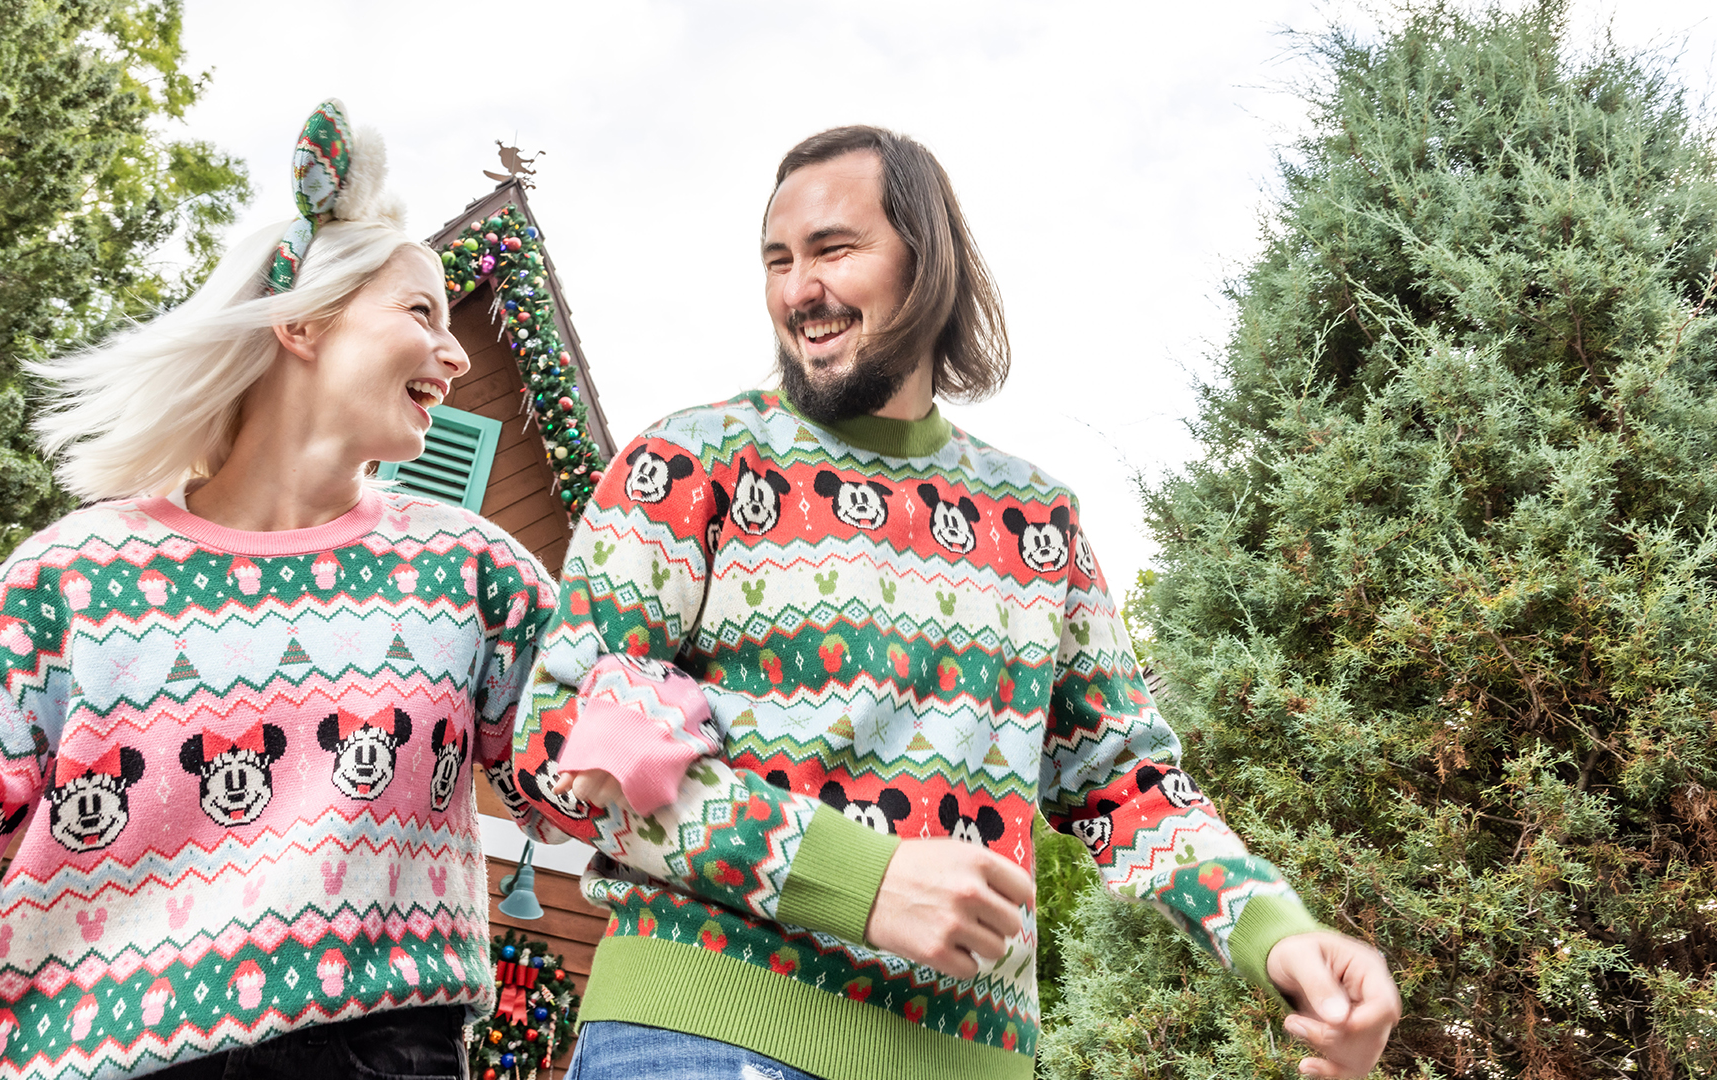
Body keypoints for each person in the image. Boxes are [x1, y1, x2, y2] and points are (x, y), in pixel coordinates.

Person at [511, 125, 1402, 1080]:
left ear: (927, 265)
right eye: (778, 260)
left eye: (833, 249)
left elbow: (1128, 784)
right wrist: (860, 882)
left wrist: (1277, 934)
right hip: (701, 1036)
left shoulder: (1037, 520)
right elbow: (561, 742)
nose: (797, 288)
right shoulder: (691, 464)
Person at [0, 100, 559, 1080]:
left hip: (376, 1052)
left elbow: (598, 754)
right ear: (299, 319)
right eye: (423, 313)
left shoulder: (471, 573)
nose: (457, 356)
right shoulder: (78, 579)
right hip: (81, 1054)